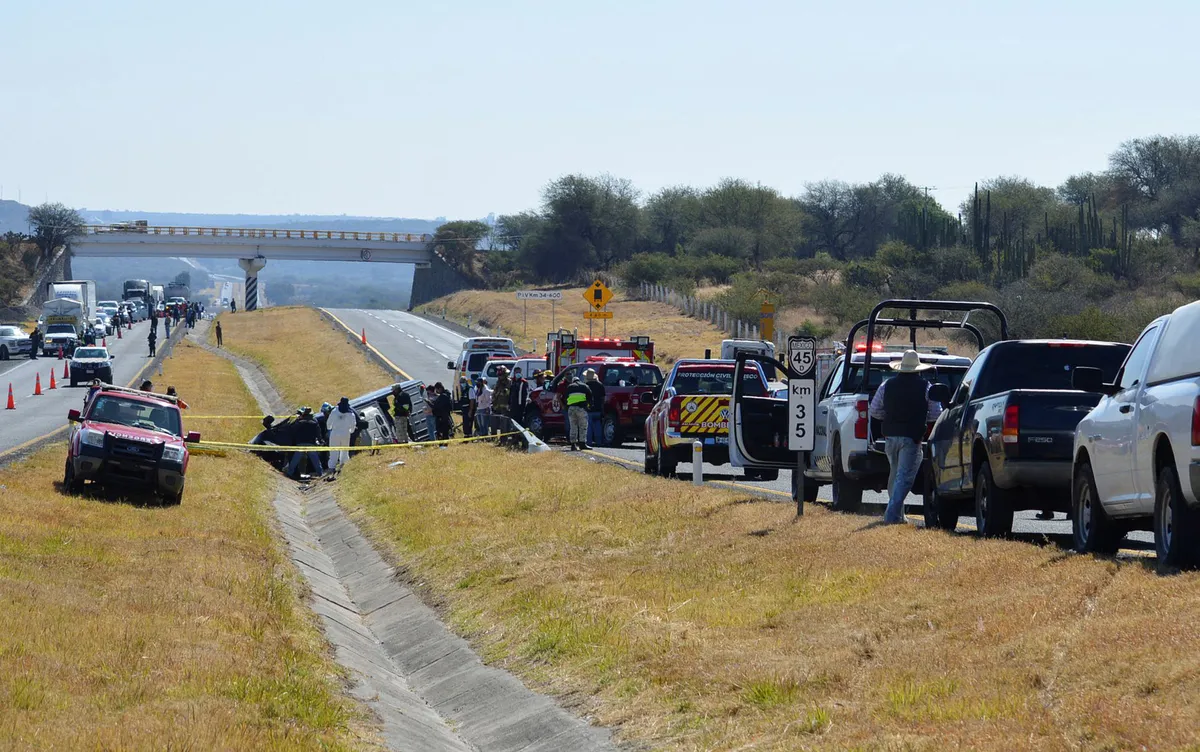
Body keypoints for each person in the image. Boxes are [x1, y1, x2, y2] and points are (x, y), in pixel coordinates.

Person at [868, 350, 943, 525]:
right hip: (912, 438)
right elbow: (935, 414)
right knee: (904, 477)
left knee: (894, 475)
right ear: (918, 369)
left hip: (890, 437)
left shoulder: (887, 385)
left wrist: (890, 419)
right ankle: (892, 515)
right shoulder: (926, 387)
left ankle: (898, 516)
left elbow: (875, 410)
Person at [285, 406, 325, 479]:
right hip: (311, 444)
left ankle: (289, 473)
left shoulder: (299, 422)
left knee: (295, 459)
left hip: (300, 443)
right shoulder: (315, 423)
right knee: (315, 460)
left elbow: (292, 431)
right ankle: (320, 474)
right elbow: (318, 435)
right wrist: (321, 441)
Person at [326, 397, 358, 472]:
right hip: (345, 434)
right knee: (344, 450)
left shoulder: (334, 411)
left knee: (333, 450)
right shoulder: (351, 414)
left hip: (335, 433)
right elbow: (353, 425)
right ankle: (343, 464)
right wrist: (351, 431)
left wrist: (329, 428)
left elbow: (329, 423)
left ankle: (332, 467)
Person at [565, 375, 591, 451]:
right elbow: (590, 396)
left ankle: (573, 445)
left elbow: (565, 397)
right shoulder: (585, 386)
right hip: (581, 408)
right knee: (583, 426)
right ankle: (582, 444)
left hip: (571, 409)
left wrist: (567, 407)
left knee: (573, 427)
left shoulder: (569, 387)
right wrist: (588, 406)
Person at [585, 368, 606, 447]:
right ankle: (599, 442)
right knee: (598, 426)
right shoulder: (600, 385)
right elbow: (603, 398)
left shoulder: (586, 385)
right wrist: (602, 408)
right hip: (598, 408)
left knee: (588, 426)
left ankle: (589, 442)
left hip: (589, 408)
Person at [491, 366, 511, 436]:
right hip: (496, 406)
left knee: (504, 424)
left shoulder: (509, 382)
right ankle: (494, 437)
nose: (499, 377)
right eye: (498, 375)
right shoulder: (498, 382)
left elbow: (508, 393)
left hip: (505, 407)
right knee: (494, 423)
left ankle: (504, 439)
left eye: (500, 375)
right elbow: (495, 393)